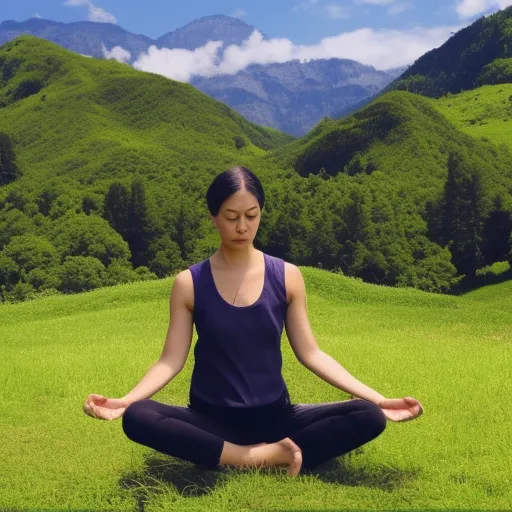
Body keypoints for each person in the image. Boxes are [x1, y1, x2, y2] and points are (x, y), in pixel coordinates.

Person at [83, 166, 424, 476]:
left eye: (251, 215)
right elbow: (171, 360)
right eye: (231, 216)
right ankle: (254, 457)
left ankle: (248, 454)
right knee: (138, 417)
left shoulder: (287, 276)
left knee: (367, 416)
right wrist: (127, 399)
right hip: (210, 421)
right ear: (212, 217)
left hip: (277, 418)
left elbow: (312, 354)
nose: (242, 226)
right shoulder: (189, 283)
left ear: (261, 213)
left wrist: (378, 399)